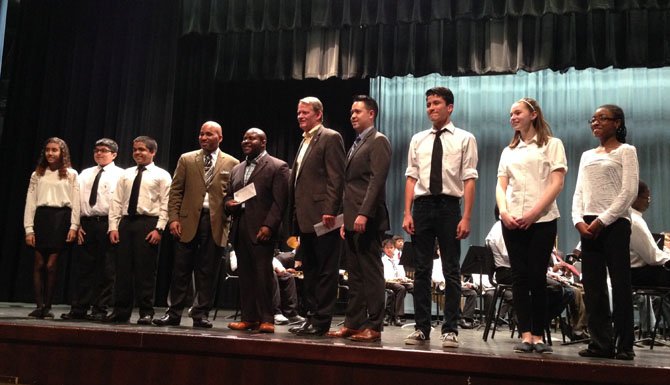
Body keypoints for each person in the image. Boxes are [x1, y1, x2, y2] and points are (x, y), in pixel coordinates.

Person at [402, 86, 478, 348]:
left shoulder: (465, 138)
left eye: (436, 103)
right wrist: (407, 212)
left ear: (450, 107)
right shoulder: (418, 139)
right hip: (421, 207)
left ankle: (451, 329)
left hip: (448, 206)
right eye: (428, 104)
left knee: (451, 269)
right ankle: (422, 327)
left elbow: (469, 179)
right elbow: (411, 177)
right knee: (421, 269)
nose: (431, 108)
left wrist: (466, 216)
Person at [495, 97, 567, 354]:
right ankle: (525, 334)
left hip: (543, 221)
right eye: (510, 114)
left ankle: (538, 334)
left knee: (538, 277)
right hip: (512, 221)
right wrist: (503, 211)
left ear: (533, 114)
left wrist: (534, 214)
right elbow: (501, 185)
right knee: (519, 278)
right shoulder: (508, 151)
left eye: (517, 112)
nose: (512, 117)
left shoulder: (552, 144)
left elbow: (556, 183)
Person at [153, 121, 238, 329]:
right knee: (180, 269)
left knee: (208, 271)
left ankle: (200, 314)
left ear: (220, 137)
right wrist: (173, 218)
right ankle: (173, 313)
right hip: (187, 220)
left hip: (216, 221)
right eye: (201, 134)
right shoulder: (187, 159)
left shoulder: (232, 163)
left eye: (209, 134)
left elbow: (234, 194)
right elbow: (176, 191)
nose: (204, 138)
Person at [572, 104, 639, 360]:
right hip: (587, 225)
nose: (595, 122)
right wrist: (577, 219)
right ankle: (600, 342)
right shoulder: (587, 155)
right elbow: (579, 192)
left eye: (602, 118)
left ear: (617, 123)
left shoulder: (626, 151)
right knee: (593, 286)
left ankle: (624, 345)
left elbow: (629, 192)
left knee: (620, 285)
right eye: (593, 119)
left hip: (615, 224)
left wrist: (603, 220)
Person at [327, 95, 391, 343]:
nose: (353, 116)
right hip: (353, 219)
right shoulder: (356, 144)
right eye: (351, 112)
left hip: (369, 218)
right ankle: (354, 323)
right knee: (354, 274)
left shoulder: (378, 141)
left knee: (371, 273)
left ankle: (374, 325)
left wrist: (363, 213)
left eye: (358, 112)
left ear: (371, 114)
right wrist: (346, 219)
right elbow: (350, 186)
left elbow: (376, 181)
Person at [288, 96, 345, 336]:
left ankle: (322, 320)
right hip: (305, 217)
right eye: (299, 113)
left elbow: (336, 177)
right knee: (309, 269)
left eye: (305, 113)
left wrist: (331, 209)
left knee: (325, 270)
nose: (300, 116)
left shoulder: (330, 137)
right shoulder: (304, 141)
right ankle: (310, 316)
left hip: (325, 218)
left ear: (318, 114)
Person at [226, 128, 290, 334]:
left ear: (263, 142)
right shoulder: (237, 168)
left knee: (263, 276)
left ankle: (267, 319)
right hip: (240, 226)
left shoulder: (277, 166)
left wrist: (269, 226)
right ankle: (249, 318)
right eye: (244, 138)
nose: (246, 141)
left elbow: (280, 202)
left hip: (262, 228)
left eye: (251, 138)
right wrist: (229, 204)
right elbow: (228, 196)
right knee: (245, 276)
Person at [106, 136, 171, 324]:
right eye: (135, 149)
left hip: (148, 223)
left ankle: (146, 312)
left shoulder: (162, 175)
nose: (137, 153)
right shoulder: (126, 174)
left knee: (145, 271)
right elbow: (116, 201)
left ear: (152, 152)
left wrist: (159, 229)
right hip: (126, 223)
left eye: (142, 149)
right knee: (123, 269)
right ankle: (121, 311)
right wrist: (113, 227)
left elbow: (166, 203)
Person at [61, 138, 123, 321]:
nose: (99, 153)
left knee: (106, 269)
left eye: (104, 150)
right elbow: (76, 200)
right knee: (84, 268)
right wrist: (77, 224)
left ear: (114, 154)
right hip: (87, 223)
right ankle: (79, 308)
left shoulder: (121, 174)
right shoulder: (85, 173)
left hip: (107, 224)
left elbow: (120, 202)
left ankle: (100, 309)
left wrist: (115, 226)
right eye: (96, 150)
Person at [24, 137, 80, 319]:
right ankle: (39, 306)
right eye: (48, 150)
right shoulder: (37, 174)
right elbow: (30, 202)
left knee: (51, 265)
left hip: (60, 219)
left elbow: (76, 202)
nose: (50, 153)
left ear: (62, 152)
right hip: (42, 218)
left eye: (54, 150)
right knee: (39, 264)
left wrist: (74, 225)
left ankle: (48, 305)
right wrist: (29, 229)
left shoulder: (71, 174)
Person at [629, 181, 670, 330]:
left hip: (637, 271)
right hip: (639, 274)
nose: (649, 201)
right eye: (647, 197)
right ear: (635, 198)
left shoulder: (634, 218)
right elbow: (652, 257)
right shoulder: (635, 221)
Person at [381, 239, 413, 326]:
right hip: (387, 282)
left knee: (413, 287)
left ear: (394, 248)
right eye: (387, 248)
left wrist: (403, 278)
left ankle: (420, 316)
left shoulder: (397, 260)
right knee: (401, 288)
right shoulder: (382, 260)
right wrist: (396, 279)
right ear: (383, 249)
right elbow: (385, 275)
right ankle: (398, 316)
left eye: (391, 247)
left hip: (397, 281)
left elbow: (401, 273)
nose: (389, 249)